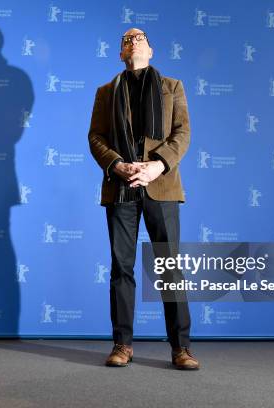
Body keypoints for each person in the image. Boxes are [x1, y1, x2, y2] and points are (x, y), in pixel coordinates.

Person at [87, 28, 199, 370]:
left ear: (151, 49)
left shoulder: (172, 87)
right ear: (120, 54)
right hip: (120, 188)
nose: (132, 40)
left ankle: (181, 349)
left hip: (161, 186)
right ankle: (122, 345)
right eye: (126, 39)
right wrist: (117, 165)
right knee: (122, 269)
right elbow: (96, 137)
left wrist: (158, 165)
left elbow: (183, 132)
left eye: (139, 37)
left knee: (169, 268)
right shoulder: (106, 92)